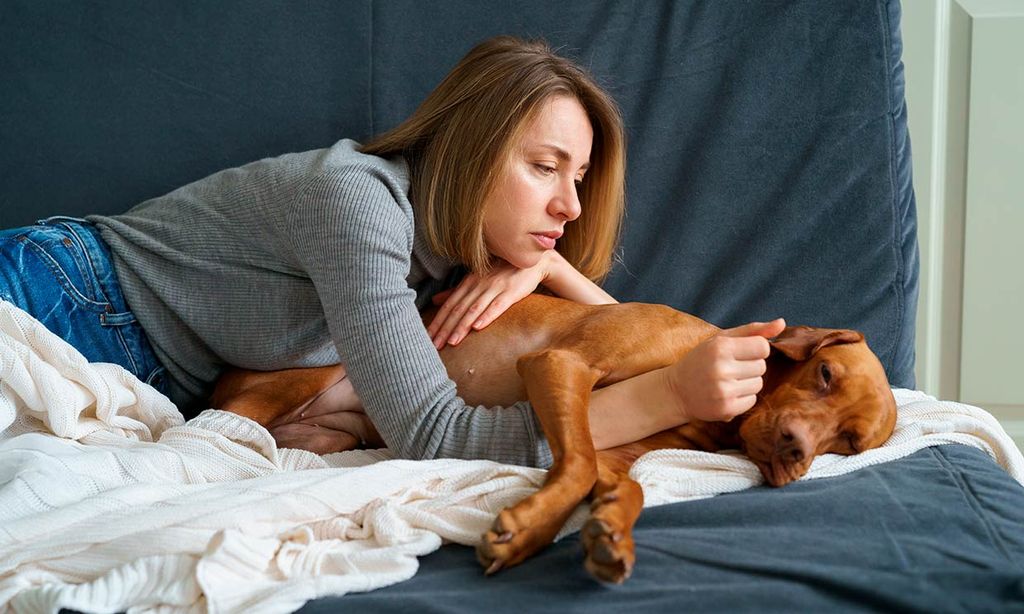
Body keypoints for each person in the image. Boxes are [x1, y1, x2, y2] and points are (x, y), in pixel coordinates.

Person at [0, 36, 783, 467]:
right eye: (544, 168)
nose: (570, 206)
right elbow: (435, 437)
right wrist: (668, 400)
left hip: (137, 370)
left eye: (577, 178)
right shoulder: (358, 204)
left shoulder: (443, 261)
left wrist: (552, 266)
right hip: (60, 294)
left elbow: (629, 341)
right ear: (469, 148)